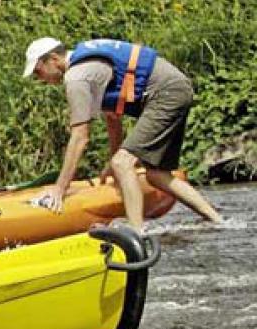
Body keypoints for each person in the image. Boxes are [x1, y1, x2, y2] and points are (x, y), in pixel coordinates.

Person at [24, 37, 223, 228]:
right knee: (156, 174)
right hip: (175, 89)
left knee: (122, 162)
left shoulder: (76, 77)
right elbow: (113, 117)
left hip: (166, 93)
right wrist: (113, 161)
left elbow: (80, 137)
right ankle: (218, 221)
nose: (39, 79)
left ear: (53, 60)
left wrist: (60, 189)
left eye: (38, 72)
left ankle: (137, 233)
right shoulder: (88, 67)